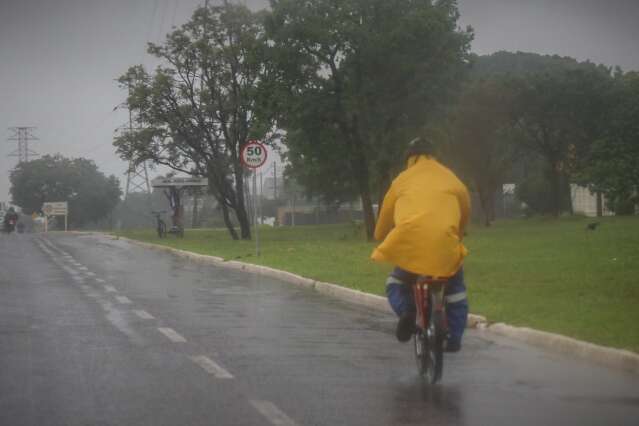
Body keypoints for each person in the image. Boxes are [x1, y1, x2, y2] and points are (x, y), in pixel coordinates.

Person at [371, 137, 471, 352]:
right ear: (435, 155)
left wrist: (380, 235)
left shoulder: (401, 180)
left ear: (409, 158)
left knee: (395, 284)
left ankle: (407, 312)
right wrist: (458, 234)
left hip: (410, 248)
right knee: (455, 292)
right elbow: (465, 209)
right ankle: (454, 338)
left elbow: (385, 216)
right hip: (446, 245)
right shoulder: (451, 177)